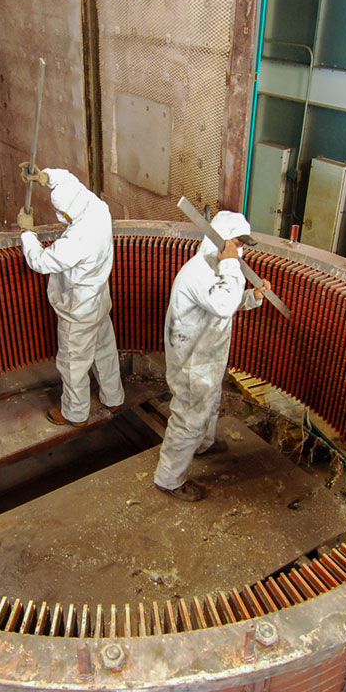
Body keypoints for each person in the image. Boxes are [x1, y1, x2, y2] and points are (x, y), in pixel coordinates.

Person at [153, 210, 267, 501]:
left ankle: (203, 444)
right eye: (238, 243)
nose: (240, 251)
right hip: (192, 362)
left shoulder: (218, 266)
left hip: (208, 357)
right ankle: (169, 479)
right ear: (222, 241)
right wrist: (232, 265)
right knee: (189, 417)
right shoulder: (199, 272)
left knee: (210, 403)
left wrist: (251, 299)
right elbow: (223, 304)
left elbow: (226, 301)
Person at [18, 165, 125, 426]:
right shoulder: (98, 208)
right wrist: (43, 176)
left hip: (78, 312)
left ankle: (75, 414)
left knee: (73, 363)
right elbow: (70, 181)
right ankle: (113, 397)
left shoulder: (77, 240)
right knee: (104, 350)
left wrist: (27, 233)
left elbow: (41, 262)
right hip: (99, 301)